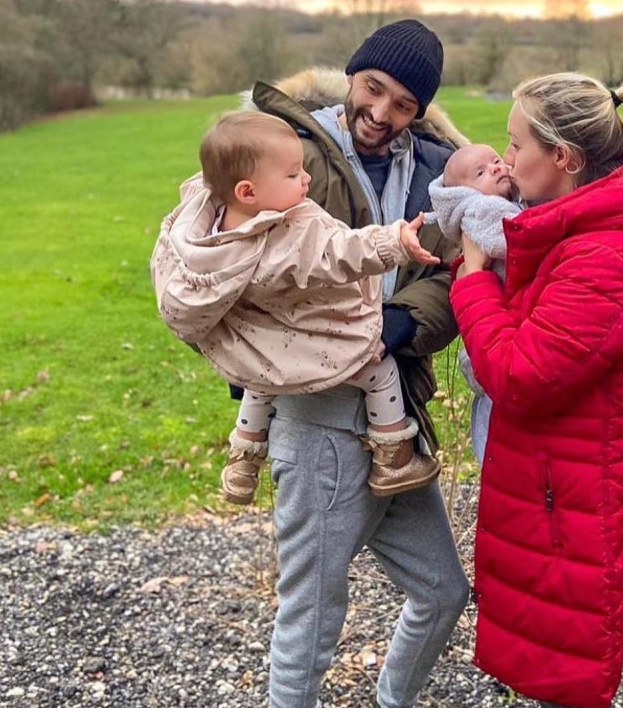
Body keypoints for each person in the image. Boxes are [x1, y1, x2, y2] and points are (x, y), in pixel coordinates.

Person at [244, 20, 470, 708]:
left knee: (443, 591)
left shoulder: (435, 167)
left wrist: (403, 324)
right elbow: (233, 257)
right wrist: (257, 352)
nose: (381, 114)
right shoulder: (285, 148)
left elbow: (455, 264)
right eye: (373, 89)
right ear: (352, 75)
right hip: (317, 416)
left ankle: (391, 704)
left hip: (395, 410)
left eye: (404, 104)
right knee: (310, 620)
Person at [450, 72, 623, 708]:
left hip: (575, 503)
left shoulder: (602, 256)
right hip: (565, 487)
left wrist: (472, 279)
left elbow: (519, 376)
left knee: (567, 678)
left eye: (517, 144)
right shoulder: (577, 229)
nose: (507, 158)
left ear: (565, 159)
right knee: (554, 662)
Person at [150, 110, 442, 506]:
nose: (305, 179)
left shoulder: (204, 231)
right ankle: (394, 459)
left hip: (258, 347)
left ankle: (242, 461)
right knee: (378, 369)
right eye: (292, 175)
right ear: (248, 192)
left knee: (260, 380)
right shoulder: (286, 238)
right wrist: (395, 242)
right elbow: (342, 252)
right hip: (312, 337)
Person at [425, 144, 525, 462]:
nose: (496, 168)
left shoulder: (503, 201)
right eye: (481, 173)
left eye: (496, 161)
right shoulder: (480, 211)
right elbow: (514, 238)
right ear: (460, 195)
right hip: (494, 326)